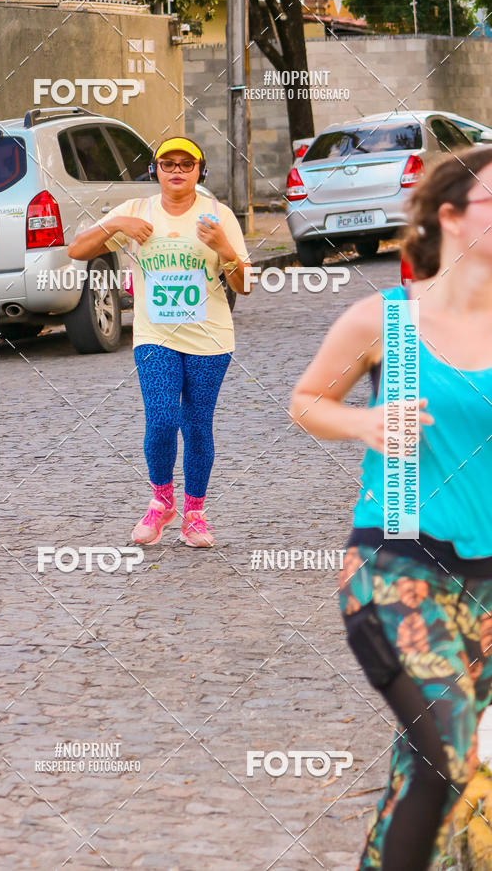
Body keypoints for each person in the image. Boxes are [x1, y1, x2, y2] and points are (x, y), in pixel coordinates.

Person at [290, 146, 492, 870]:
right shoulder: (387, 319)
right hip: (396, 562)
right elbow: (307, 402)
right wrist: (367, 424)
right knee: (449, 742)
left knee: (433, 768)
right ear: (449, 217)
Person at [68, 136, 252, 547]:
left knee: (198, 425)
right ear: (155, 171)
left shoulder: (218, 215)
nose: (177, 171)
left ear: (199, 172)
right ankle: (161, 501)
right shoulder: (135, 211)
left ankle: (195, 514)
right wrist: (115, 225)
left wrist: (224, 249)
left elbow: (245, 284)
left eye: (187, 164)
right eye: (168, 163)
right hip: (154, 336)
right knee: (163, 418)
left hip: (210, 337)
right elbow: (76, 250)